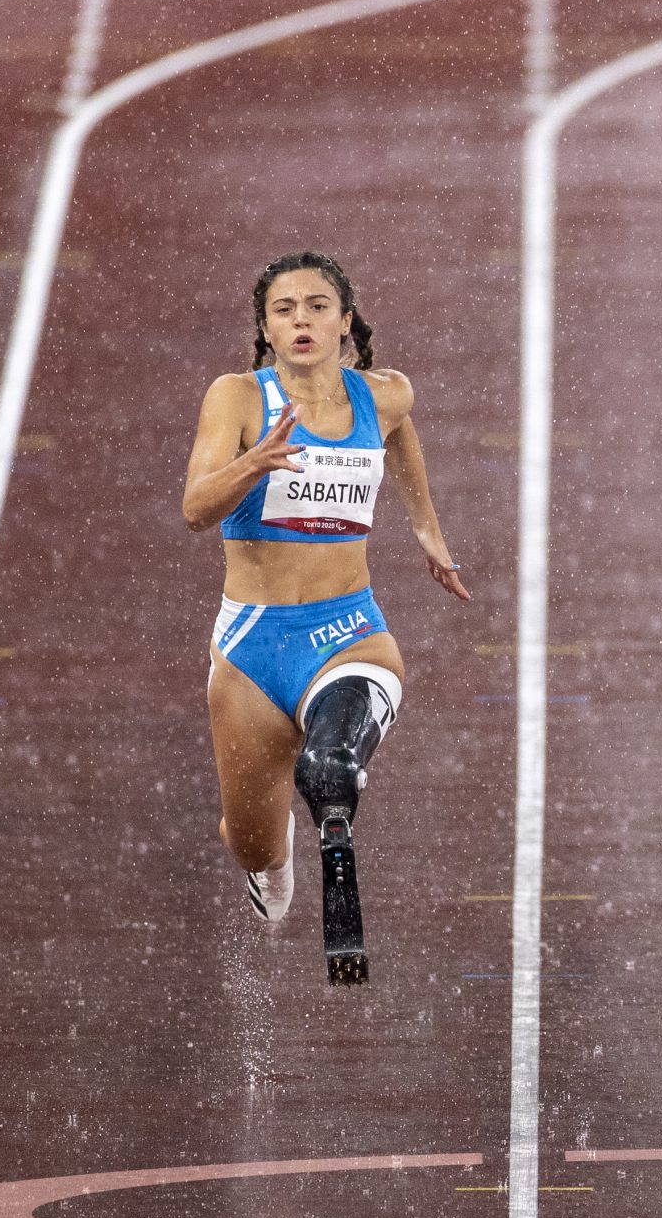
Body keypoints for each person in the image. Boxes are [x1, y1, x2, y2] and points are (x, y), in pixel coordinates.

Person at [181, 252, 470, 984]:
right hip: (252, 646)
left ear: (346, 321)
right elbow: (193, 509)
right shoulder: (239, 399)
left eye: (317, 306)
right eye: (285, 310)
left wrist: (426, 527)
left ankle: (331, 788)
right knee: (250, 844)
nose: (301, 320)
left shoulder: (384, 394)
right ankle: (274, 851)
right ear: (266, 330)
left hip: (349, 631)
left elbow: (399, 433)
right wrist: (256, 463)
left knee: (332, 763)